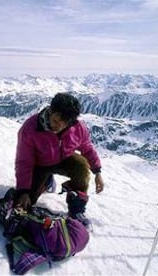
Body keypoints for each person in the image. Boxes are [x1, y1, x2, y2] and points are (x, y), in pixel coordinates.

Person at [14, 93, 104, 226]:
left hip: (64, 159)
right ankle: (46, 181)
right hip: (40, 165)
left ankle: (76, 209)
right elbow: (24, 162)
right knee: (25, 204)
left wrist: (97, 172)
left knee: (81, 168)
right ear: (50, 111)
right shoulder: (30, 129)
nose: (58, 127)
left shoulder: (77, 128)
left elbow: (87, 148)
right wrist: (23, 191)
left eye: (64, 124)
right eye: (55, 121)